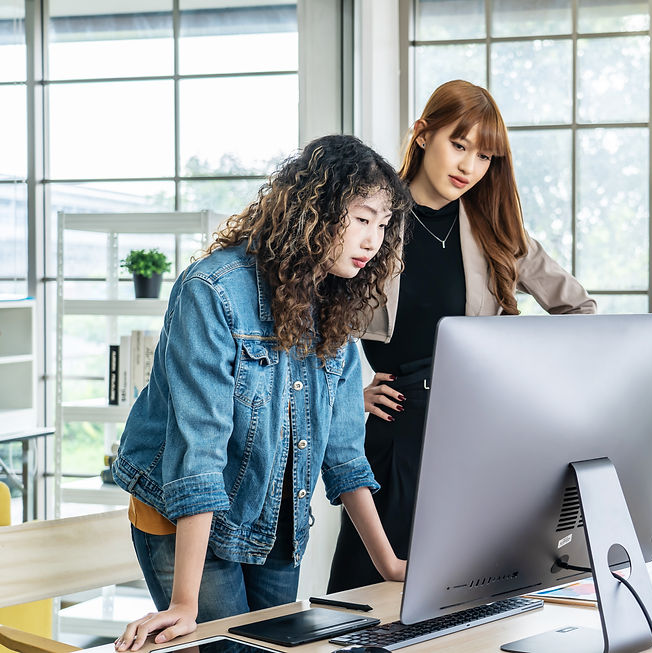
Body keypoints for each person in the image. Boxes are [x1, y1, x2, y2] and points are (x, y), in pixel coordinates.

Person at [111, 135, 411, 651]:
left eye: (383, 226)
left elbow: (342, 451)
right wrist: (185, 604)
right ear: (313, 209)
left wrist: (389, 564)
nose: (373, 241)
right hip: (183, 515)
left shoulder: (334, 304)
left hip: (273, 519)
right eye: (362, 219)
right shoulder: (212, 291)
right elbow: (197, 450)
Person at [327, 80, 596, 592]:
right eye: (459, 144)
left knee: (473, 588)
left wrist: (521, 374)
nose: (470, 167)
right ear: (423, 134)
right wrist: (350, 395)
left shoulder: (497, 230)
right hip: (397, 428)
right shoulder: (373, 217)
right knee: (372, 592)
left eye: (485, 156)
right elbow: (313, 320)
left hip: (476, 432)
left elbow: (579, 309)